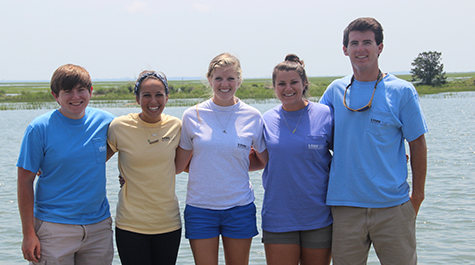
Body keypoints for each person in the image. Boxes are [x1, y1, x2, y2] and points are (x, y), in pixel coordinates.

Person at [319, 17, 428, 265]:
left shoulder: (402, 91)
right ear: (345, 49)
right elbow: (314, 135)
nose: (361, 49)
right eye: (354, 43)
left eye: (367, 42)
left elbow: (418, 144)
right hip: (345, 207)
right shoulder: (335, 90)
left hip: (393, 207)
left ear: (380, 47)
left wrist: (417, 197)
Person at [17, 64, 115, 264]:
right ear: (55, 95)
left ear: (90, 91)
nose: (75, 97)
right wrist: (28, 234)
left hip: (99, 227)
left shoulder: (106, 121)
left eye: (81, 90)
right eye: (67, 91)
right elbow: (24, 182)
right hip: (53, 228)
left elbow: (131, 144)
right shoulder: (39, 128)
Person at [175, 53, 266, 265]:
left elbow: (263, 160)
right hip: (200, 208)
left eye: (231, 78)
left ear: (239, 80)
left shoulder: (253, 116)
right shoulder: (192, 115)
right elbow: (179, 165)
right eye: (218, 78)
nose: (224, 84)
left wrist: (232, 166)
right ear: (209, 80)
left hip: (240, 207)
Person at [259, 54, 333, 265]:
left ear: (304, 84)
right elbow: (251, 157)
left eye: (293, 82)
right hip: (278, 216)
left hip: (319, 215)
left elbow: (348, 154)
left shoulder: (325, 114)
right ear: (274, 87)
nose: (287, 88)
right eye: (281, 83)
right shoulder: (265, 120)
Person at [107, 70, 182, 264]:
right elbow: (93, 161)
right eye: (146, 95)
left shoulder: (177, 126)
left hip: (168, 223)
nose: (153, 101)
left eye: (159, 95)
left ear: (167, 97)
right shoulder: (119, 126)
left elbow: (191, 164)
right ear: (137, 98)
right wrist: (48, 165)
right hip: (130, 225)